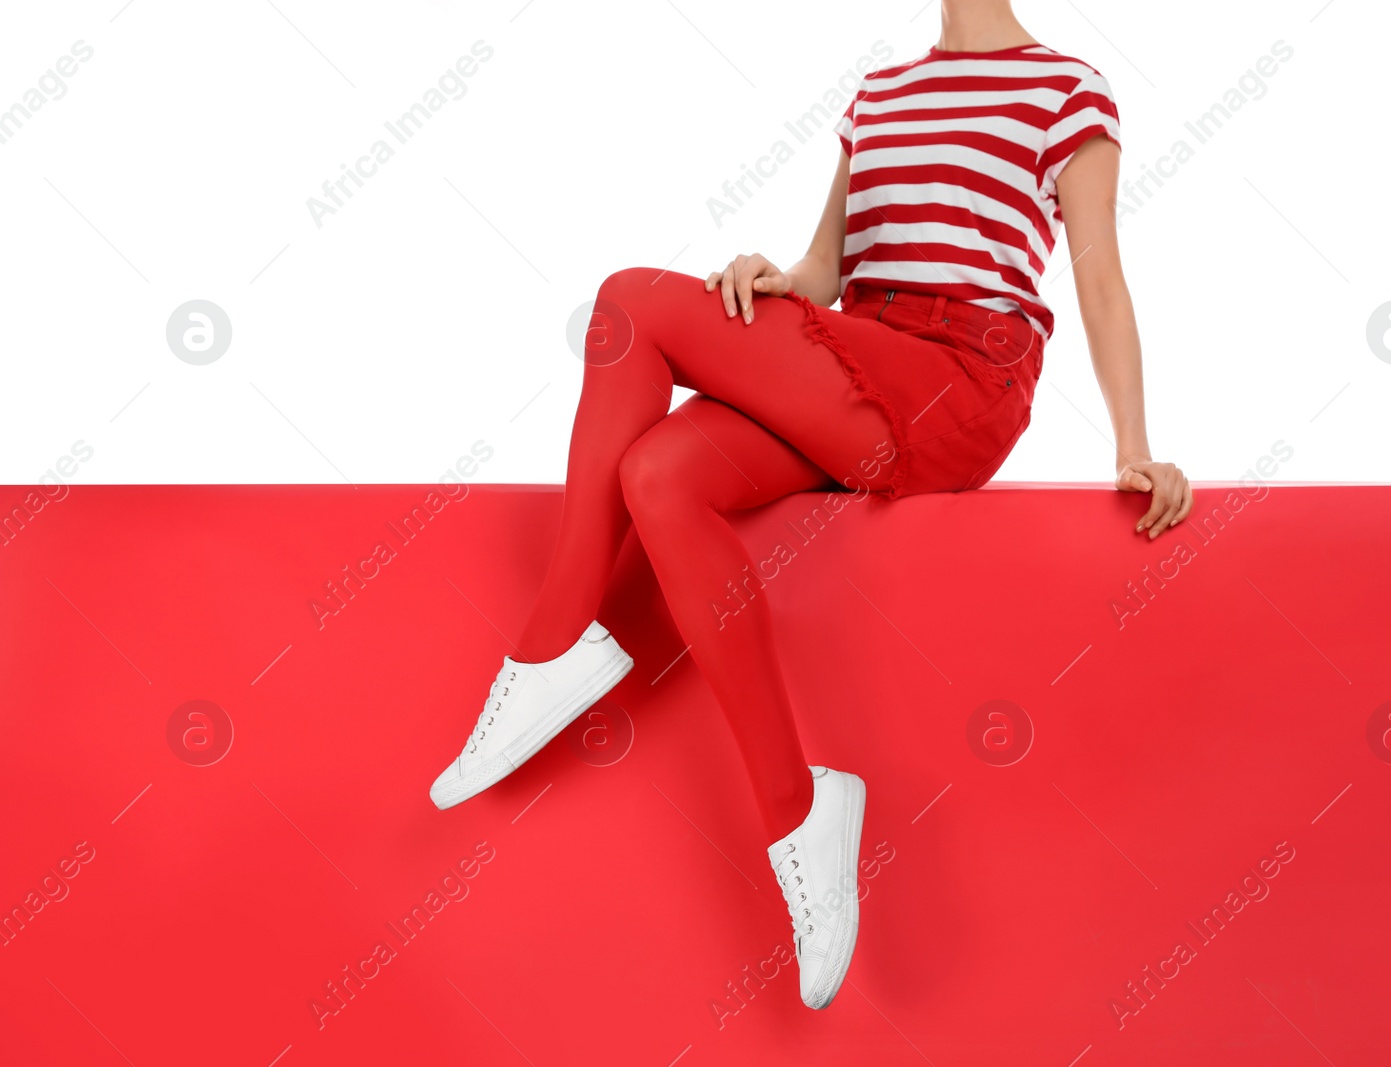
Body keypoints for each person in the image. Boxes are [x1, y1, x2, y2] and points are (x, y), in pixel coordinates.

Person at [430, 1, 1193, 1011]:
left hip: (960, 382)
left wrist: (1132, 443)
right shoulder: (877, 94)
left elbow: (1099, 277)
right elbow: (826, 275)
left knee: (629, 297)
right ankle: (802, 811)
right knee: (659, 474)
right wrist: (772, 280)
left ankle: (555, 636)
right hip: (854, 362)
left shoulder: (1066, 90)